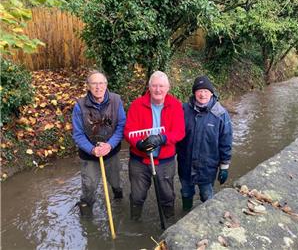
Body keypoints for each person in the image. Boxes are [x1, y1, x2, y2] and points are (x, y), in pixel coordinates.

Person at [124, 71, 185, 221]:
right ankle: (134, 222)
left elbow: (180, 132)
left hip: (165, 161)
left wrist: (162, 138)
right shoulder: (137, 105)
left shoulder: (176, 105)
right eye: (155, 86)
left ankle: (169, 221)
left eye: (161, 86)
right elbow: (128, 130)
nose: (158, 90)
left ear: (168, 87)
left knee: (167, 196)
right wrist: (139, 143)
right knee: (137, 196)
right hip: (139, 160)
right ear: (149, 87)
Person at [72, 70, 126, 217]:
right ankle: (86, 219)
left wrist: (109, 145)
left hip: (112, 152)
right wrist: (92, 150)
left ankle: (119, 205)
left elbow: (121, 126)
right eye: (94, 83)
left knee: (116, 182)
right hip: (89, 155)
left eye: (101, 83)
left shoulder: (116, 100)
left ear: (106, 85)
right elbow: (78, 134)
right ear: (88, 86)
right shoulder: (79, 106)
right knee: (89, 186)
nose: (98, 87)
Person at [176, 75, 232, 211]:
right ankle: (185, 216)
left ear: (211, 93)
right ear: (194, 93)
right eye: (199, 91)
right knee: (186, 193)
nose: (202, 94)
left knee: (207, 196)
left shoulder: (220, 114)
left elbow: (226, 141)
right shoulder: (183, 110)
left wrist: (224, 167)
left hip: (207, 168)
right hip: (186, 165)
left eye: (206, 91)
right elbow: (175, 136)